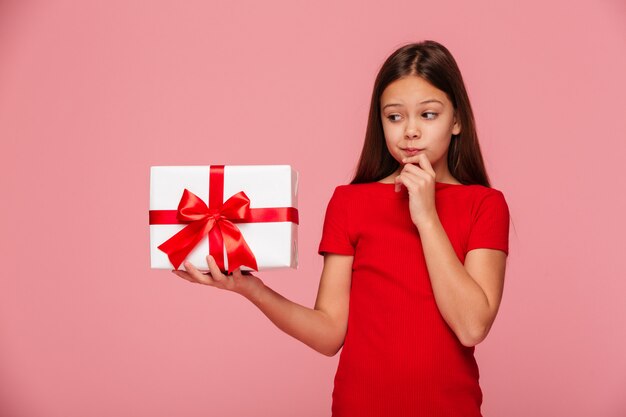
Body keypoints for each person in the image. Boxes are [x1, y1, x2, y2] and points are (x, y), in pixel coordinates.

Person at [172, 39, 510, 417]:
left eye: (428, 115)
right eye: (394, 117)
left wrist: (427, 217)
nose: (410, 131)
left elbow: (472, 327)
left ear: (457, 120)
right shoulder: (350, 202)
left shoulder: (485, 205)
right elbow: (330, 333)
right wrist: (252, 289)